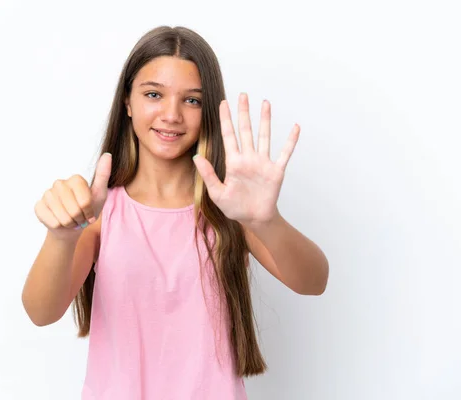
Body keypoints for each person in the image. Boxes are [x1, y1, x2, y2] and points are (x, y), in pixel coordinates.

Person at [22, 25, 329, 399]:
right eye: (154, 94)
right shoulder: (99, 210)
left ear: (208, 111)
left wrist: (266, 220)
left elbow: (314, 282)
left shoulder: (229, 208)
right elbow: (41, 311)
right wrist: (60, 236)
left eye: (192, 101)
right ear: (128, 103)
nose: (171, 115)